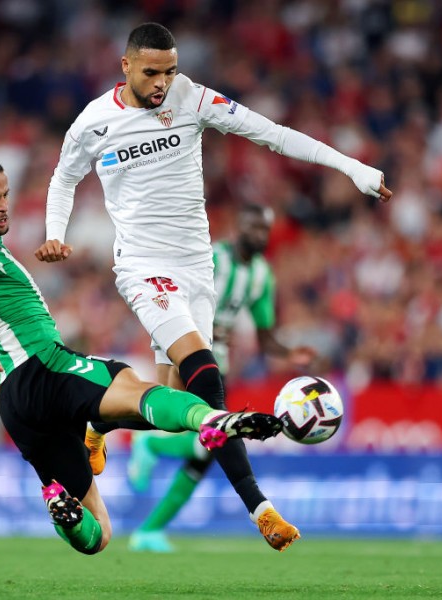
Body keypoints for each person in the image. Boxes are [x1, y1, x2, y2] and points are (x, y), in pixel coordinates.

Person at [35, 23, 392, 551]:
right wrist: (54, 235)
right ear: (126, 66)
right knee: (207, 379)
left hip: (198, 270)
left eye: (170, 71)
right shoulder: (94, 122)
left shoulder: (193, 98)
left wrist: (350, 167)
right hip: (143, 267)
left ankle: (97, 420)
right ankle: (261, 508)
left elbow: (272, 132)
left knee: (174, 413)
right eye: (151, 72)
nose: (162, 83)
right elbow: (64, 179)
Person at [0, 105, 283, 555]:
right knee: (130, 385)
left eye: (5, 195)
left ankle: (62, 510)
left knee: (98, 533)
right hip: (46, 366)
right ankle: (215, 419)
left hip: (15, 404)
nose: (3, 207)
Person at [127, 202, 316, 552]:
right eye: (252, 226)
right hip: (191, 354)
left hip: (221, 365)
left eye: (264, 230)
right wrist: (202, 327)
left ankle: (149, 531)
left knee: (203, 455)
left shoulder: (261, 275)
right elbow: (178, 298)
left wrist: (289, 353)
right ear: (237, 226)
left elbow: (264, 334)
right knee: (210, 438)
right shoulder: (212, 259)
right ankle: (150, 444)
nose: (258, 235)